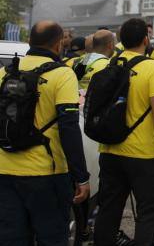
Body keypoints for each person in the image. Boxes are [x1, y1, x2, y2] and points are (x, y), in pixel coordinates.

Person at [0, 20, 91, 246]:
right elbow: (69, 127)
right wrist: (81, 176)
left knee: (11, 238)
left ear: (29, 40)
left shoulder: (4, 72)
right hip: (45, 172)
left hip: (5, 170)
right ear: (59, 44)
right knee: (52, 237)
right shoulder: (63, 75)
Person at [92, 18, 154, 246]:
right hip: (144, 155)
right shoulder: (152, 67)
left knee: (108, 210)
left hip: (109, 150)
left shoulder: (111, 64)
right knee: (149, 212)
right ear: (146, 40)